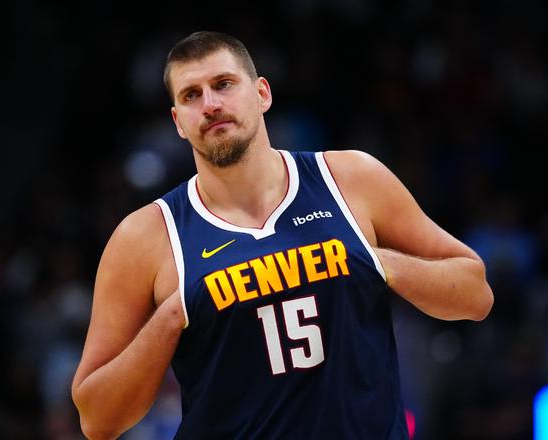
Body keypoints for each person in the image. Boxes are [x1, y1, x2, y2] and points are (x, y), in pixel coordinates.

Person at [71, 31, 494, 439]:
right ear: (178, 122)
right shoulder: (146, 235)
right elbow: (96, 419)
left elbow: (476, 294)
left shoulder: (350, 178)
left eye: (223, 84)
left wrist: (381, 262)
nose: (211, 104)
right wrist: (169, 317)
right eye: (191, 95)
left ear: (262, 94)